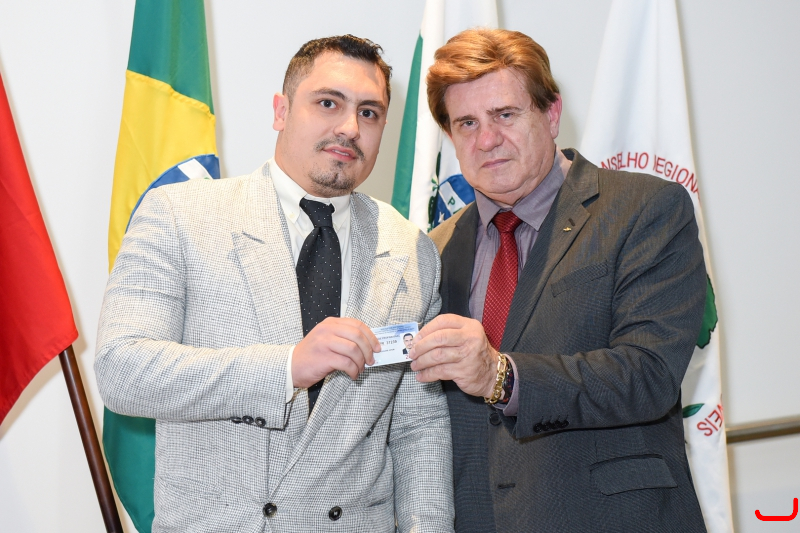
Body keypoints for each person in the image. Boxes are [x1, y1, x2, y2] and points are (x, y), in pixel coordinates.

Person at [95, 35, 453, 533]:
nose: (350, 128)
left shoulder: (413, 249)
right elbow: (123, 371)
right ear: (281, 111)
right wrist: (286, 367)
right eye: (328, 103)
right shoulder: (179, 215)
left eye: (369, 113)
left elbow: (419, 427)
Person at [408, 28, 707, 532]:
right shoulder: (432, 251)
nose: (487, 140)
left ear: (551, 114)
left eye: (505, 114)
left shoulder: (644, 209)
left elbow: (649, 374)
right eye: (467, 123)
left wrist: (502, 377)